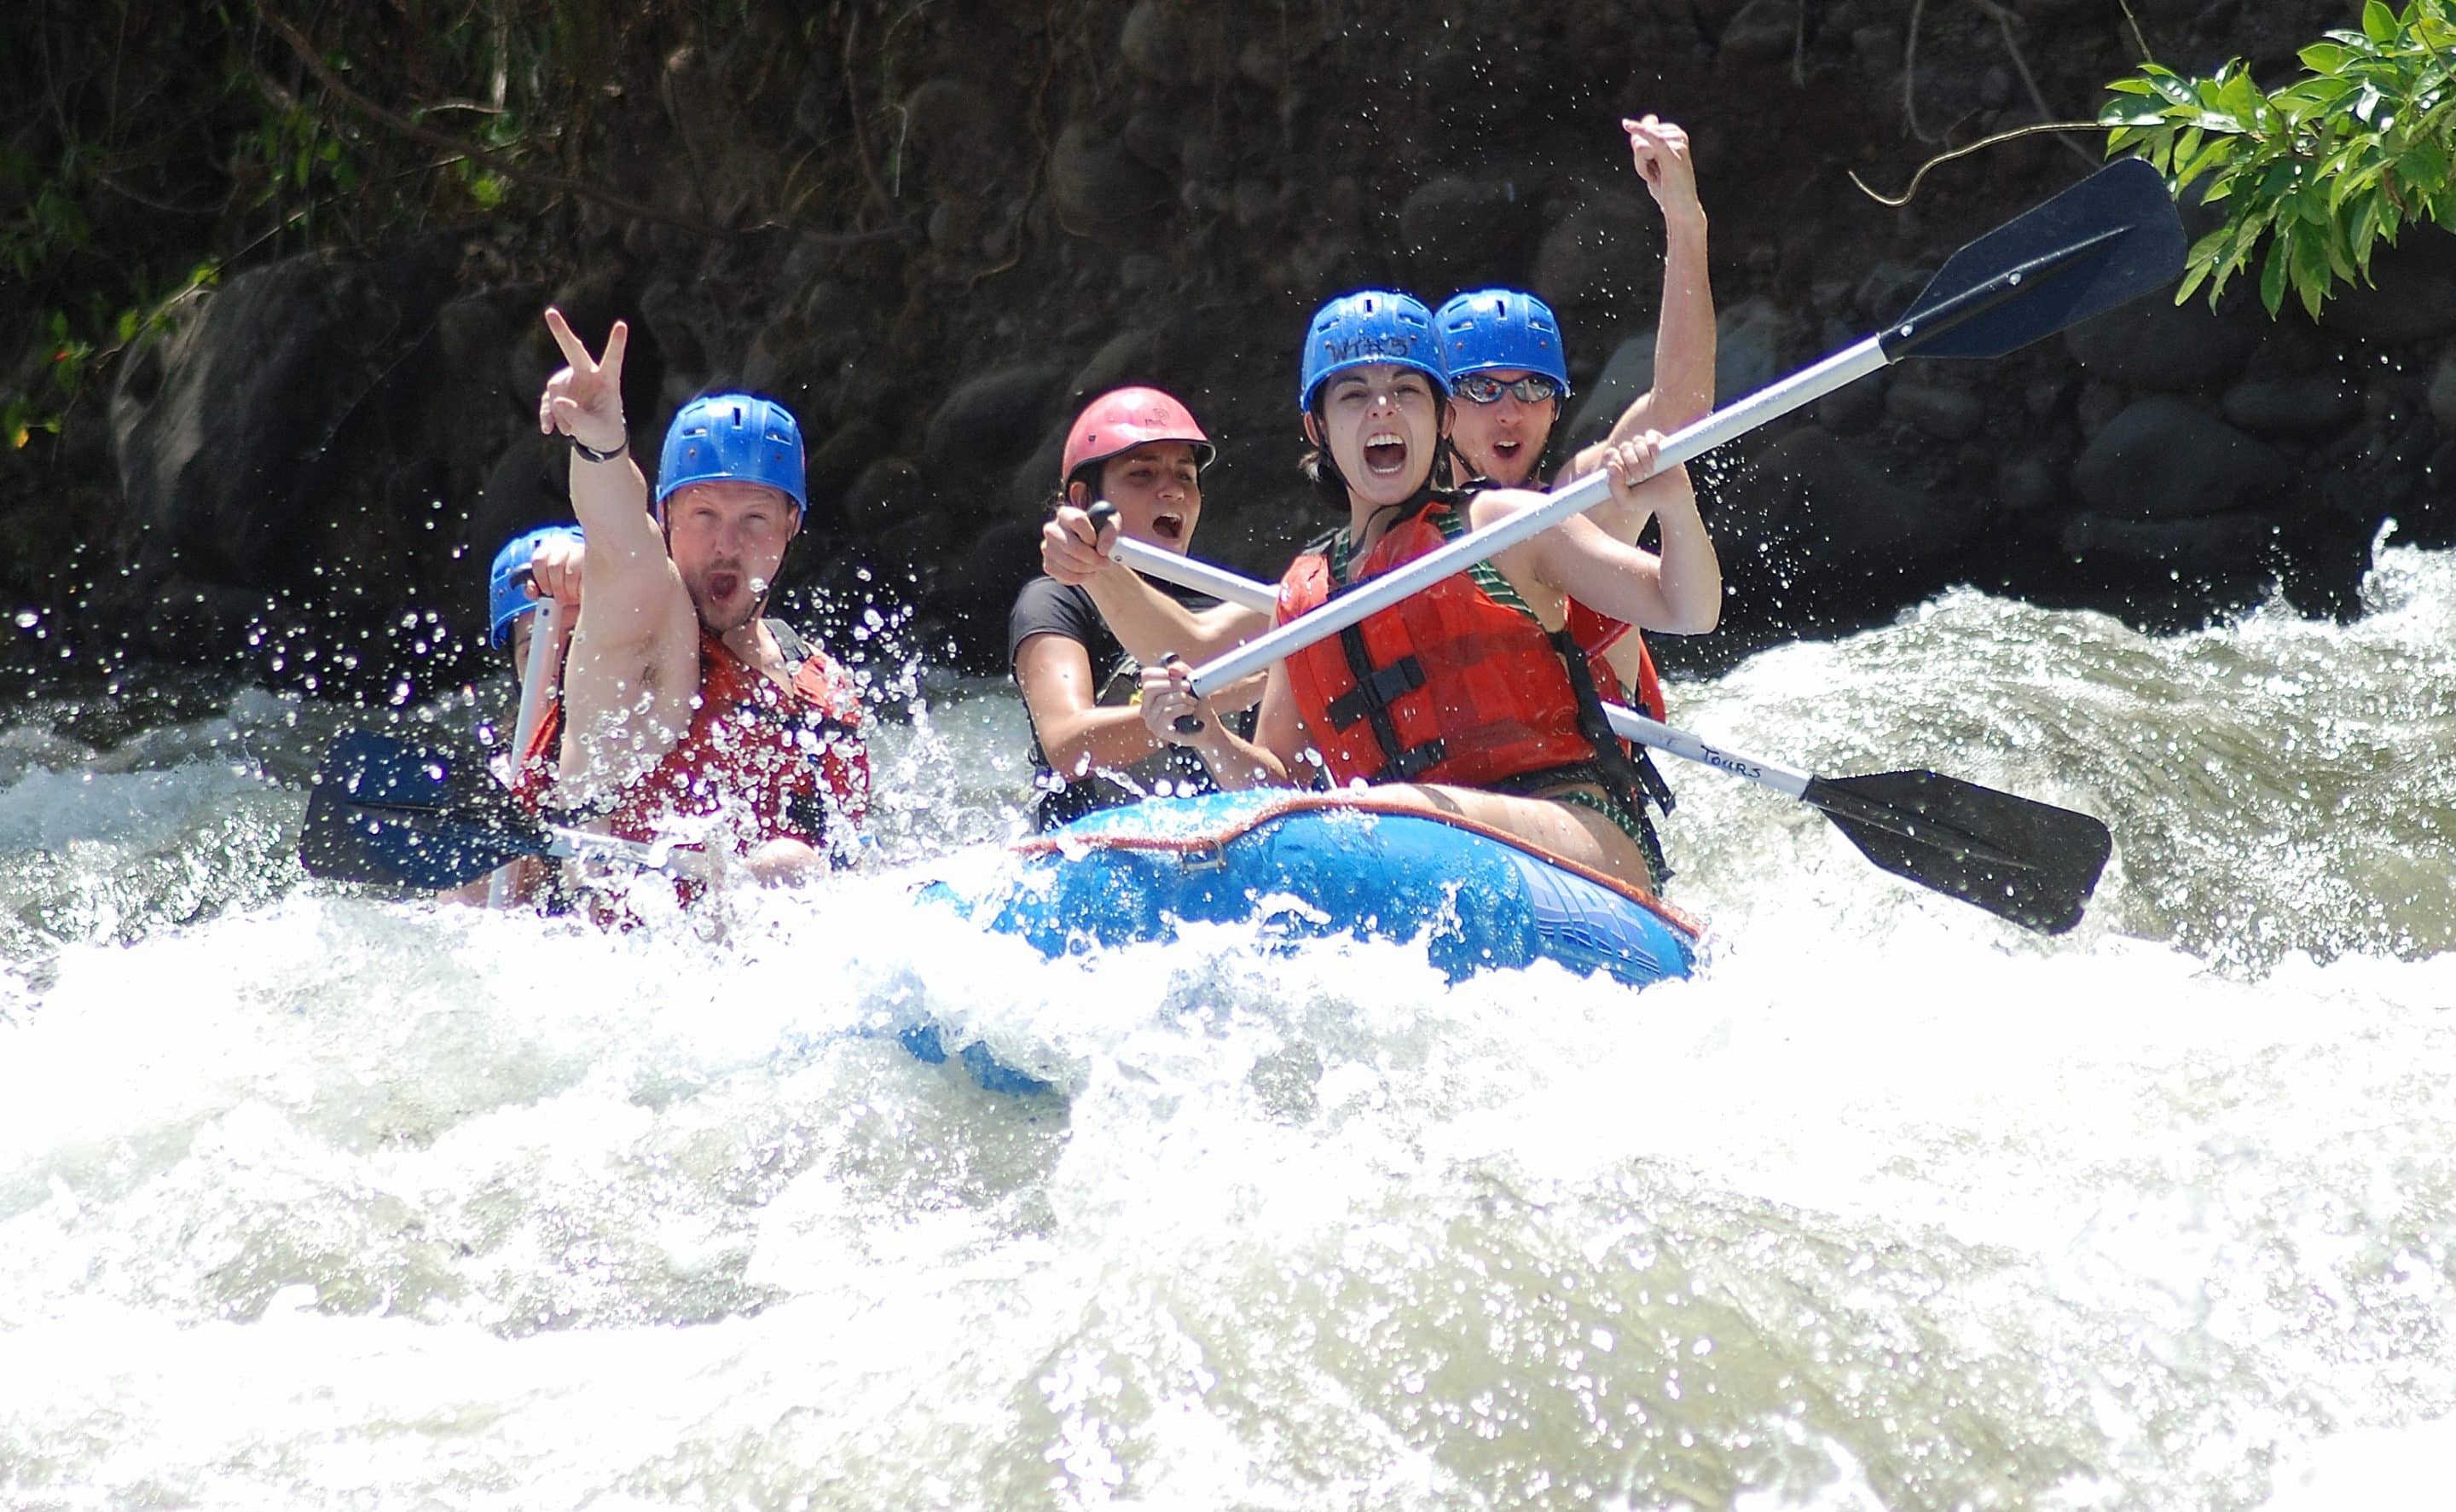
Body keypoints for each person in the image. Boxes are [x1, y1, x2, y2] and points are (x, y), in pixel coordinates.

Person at [1137, 290, 1722, 896]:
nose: (1382, 409)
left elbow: (1690, 609)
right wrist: (1206, 732)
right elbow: (1278, 788)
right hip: (1408, 853)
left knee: (1386, 813)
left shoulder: (1503, 524)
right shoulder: (1305, 598)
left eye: (1407, 391)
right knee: (1353, 823)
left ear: (1442, 419)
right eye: (1355, 393)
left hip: (1579, 841)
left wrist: (1676, 507)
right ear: (1319, 428)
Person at [527, 310, 867, 888]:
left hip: (768, 960)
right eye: (704, 514)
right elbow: (620, 537)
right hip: (618, 957)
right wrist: (602, 446)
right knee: (785, 867)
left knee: (797, 868)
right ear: (667, 517)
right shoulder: (646, 625)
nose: (727, 545)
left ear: (792, 524)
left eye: (754, 518)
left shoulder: (823, 683)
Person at [1009, 387, 1260, 829]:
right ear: (1085, 500)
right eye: (1143, 475)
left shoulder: (1235, 607)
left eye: (1185, 477)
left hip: (1225, 842)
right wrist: (1208, 699)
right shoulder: (1055, 600)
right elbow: (1068, 747)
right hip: (1092, 850)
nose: (1173, 492)